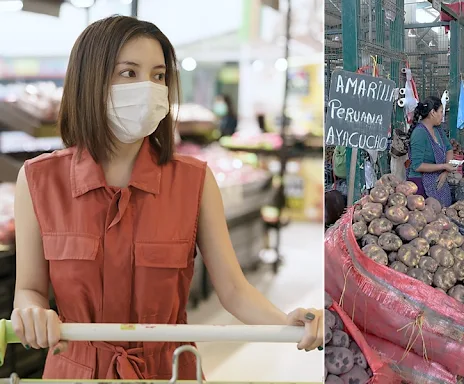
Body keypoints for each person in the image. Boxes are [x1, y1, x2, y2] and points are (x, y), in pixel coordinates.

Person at [12, 16, 323, 380]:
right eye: (128, 73)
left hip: (169, 370)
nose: (147, 88)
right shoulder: (38, 180)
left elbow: (235, 290)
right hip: (75, 371)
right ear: (89, 81)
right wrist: (31, 311)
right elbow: (29, 290)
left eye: (158, 76)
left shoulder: (194, 180)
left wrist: (287, 322)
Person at [406, 96, 455, 207]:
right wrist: (444, 166)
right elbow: (417, 166)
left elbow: (449, 150)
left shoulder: (438, 129)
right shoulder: (419, 133)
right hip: (420, 184)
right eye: (441, 112)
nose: (442, 116)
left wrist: (445, 173)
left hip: (439, 180)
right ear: (433, 112)